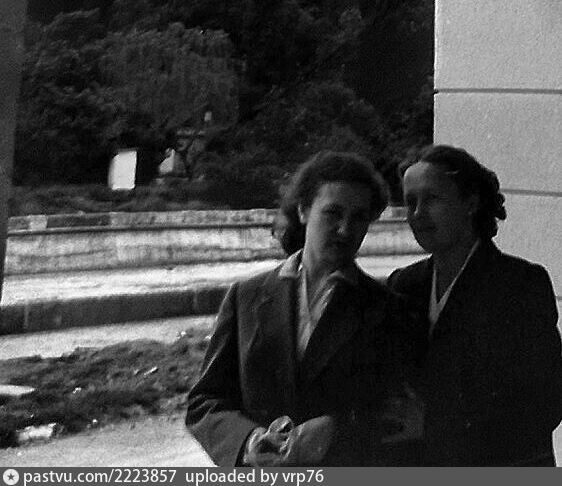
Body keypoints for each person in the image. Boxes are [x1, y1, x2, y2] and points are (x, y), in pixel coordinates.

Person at [186, 150, 422, 467]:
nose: (345, 229)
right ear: (302, 210)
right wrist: (247, 441)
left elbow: (397, 413)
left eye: (358, 218)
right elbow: (205, 401)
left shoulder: (387, 310)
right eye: (333, 213)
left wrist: (336, 430)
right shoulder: (246, 297)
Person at [388, 144, 562, 466]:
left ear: (470, 203)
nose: (418, 214)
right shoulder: (403, 286)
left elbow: (545, 402)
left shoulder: (520, 285)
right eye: (411, 202)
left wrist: (435, 423)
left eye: (432, 199)